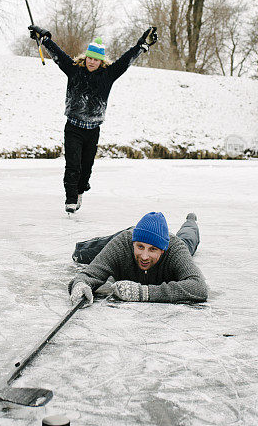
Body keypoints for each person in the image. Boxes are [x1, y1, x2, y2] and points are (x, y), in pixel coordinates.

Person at [28, 25, 158, 214]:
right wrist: (45, 39)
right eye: (89, 58)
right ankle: (70, 199)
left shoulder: (108, 75)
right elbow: (58, 56)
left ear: (101, 61)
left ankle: (80, 191)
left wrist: (141, 45)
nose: (92, 62)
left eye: (96, 59)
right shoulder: (74, 70)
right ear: (85, 57)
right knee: (73, 165)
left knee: (86, 168)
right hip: (73, 127)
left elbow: (125, 61)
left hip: (93, 129)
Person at [69, 212, 208, 304]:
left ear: (163, 250)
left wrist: (145, 293)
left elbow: (199, 287)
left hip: (179, 241)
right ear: (133, 243)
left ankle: (191, 221)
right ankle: (134, 232)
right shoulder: (123, 243)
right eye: (140, 247)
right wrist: (80, 285)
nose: (145, 256)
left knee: (188, 238)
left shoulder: (175, 249)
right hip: (128, 234)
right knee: (84, 253)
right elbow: (89, 274)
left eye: (153, 249)